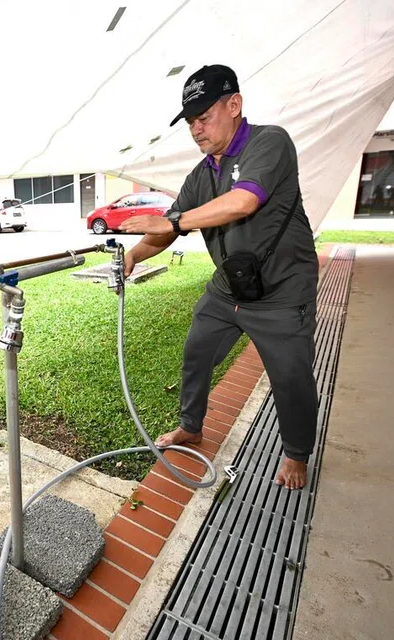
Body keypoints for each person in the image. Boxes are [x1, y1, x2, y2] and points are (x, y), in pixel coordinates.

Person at [119, 64, 319, 490]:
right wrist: (136, 253)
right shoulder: (202, 173)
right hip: (229, 289)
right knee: (197, 353)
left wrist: (172, 224)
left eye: (204, 117)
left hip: (284, 291)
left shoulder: (270, 142)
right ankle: (191, 425)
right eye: (191, 121)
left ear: (234, 105)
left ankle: (297, 454)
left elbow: (243, 201)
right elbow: (169, 228)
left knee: (291, 378)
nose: (196, 129)